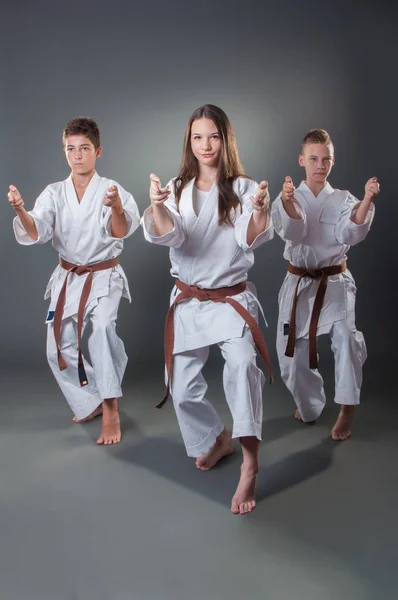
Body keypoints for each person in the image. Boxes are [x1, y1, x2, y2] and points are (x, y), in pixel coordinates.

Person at [141, 104, 274, 514]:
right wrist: (159, 205)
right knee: (181, 389)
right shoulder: (177, 187)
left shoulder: (246, 188)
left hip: (229, 300)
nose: (205, 145)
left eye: (213, 136)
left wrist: (260, 211)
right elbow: (174, 237)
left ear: (225, 139)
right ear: (189, 142)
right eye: (197, 137)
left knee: (241, 367)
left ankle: (250, 464)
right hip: (188, 300)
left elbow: (247, 237)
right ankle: (217, 438)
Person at [8, 117, 140, 445]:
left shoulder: (112, 190)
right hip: (68, 277)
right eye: (71, 149)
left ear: (98, 151)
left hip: (103, 274)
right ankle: (92, 399)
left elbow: (121, 231)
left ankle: (110, 407)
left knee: (102, 330)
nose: (77, 155)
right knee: (57, 347)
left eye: (84, 149)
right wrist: (22, 210)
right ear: (64, 151)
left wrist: (116, 207)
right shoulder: (54, 193)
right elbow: (37, 230)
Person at [271, 128, 379, 441]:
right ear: (302, 160)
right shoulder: (288, 196)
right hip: (299, 283)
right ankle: (310, 403)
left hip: (334, 282)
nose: (320, 164)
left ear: (333, 161)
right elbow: (293, 231)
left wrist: (367, 198)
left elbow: (350, 233)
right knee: (290, 355)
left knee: (345, 339)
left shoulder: (345, 199)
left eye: (326, 159)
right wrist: (289, 203)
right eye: (314, 158)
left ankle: (347, 407)